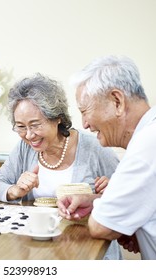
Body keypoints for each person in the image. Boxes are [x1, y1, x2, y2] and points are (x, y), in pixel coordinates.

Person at [0, 73, 122, 259]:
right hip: (38, 249)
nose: (29, 135)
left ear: (57, 118)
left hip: (87, 251)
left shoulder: (94, 148)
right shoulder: (24, 148)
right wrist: (14, 190)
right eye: (21, 126)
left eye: (35, 125)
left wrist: (105, 192)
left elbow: (126, 198)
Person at [57, 55, 156, 260]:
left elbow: (100, 226)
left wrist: (102, 207)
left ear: (117, 101)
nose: (84, 124)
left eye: (85, 111)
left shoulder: (146, 146)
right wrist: (96, 201)